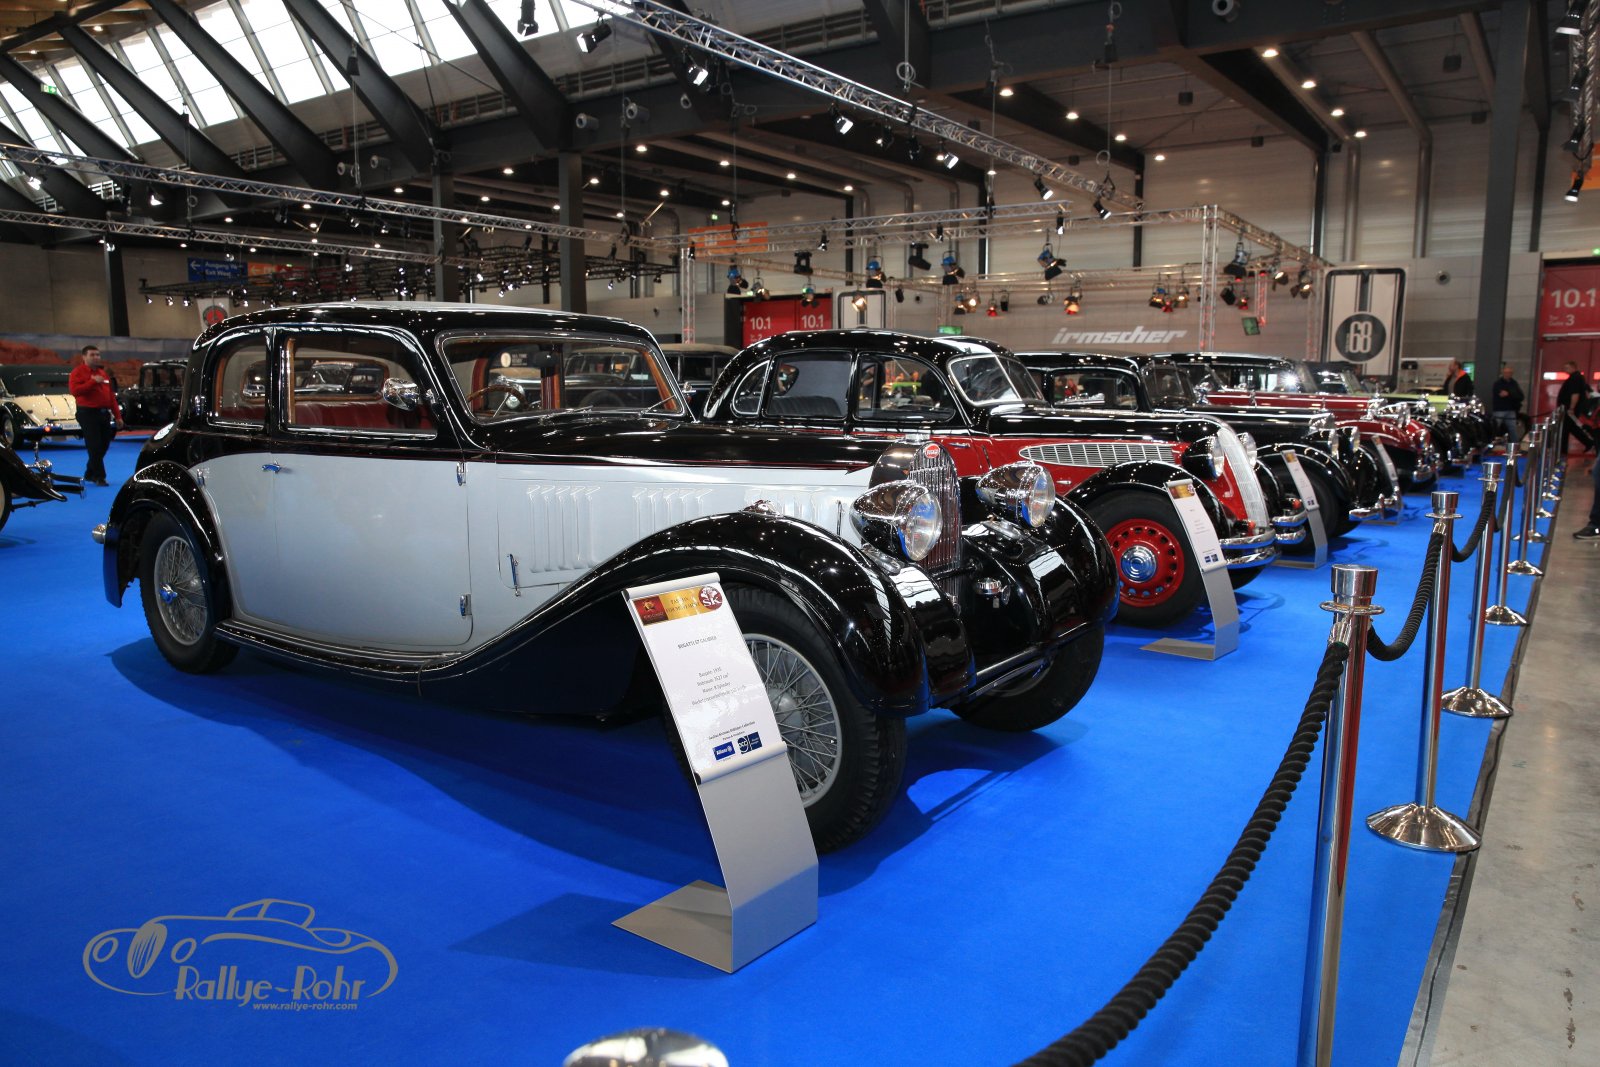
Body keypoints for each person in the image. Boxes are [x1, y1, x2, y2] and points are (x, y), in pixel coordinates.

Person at [67, 344, 122, 486]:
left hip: (104, 414)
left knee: (104, 445)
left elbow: (110, 396)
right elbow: (75, 391)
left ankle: (89, 473)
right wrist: (92, 382)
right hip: (87, 414)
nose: (96, 357)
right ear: (84, 357)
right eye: (92, 355)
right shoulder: (77, 372)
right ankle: (99, 477)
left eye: (98, 355)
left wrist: (118, 416)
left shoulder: (103, 373)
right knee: (94, 446)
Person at [1555, 359, 1595, 458]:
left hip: (1570, 408)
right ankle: (1588, 442)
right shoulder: (1577, 378)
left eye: (1567, 368)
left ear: (1573, 367)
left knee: (1565, 429)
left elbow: (1575, 394)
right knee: (1572, 428)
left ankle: (1562, 451)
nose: (1565, 370)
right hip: (1569, 408)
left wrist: (1572, 407)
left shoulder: (1575, 378)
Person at [1490, 364, 1523, 441]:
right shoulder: (1498, 383)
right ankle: (1490, 442)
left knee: (1513, 428)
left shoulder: (1514, 383)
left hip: (1511, 409)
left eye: (1510, 373)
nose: (1508, 374)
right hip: (1499, 410)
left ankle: (1515, 444)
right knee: (1494, 427)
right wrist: (1512, 394)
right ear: (1503, 373)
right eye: (1506, 372)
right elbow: (1502, 394)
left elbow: (1520, 396)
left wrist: (1509, 394)